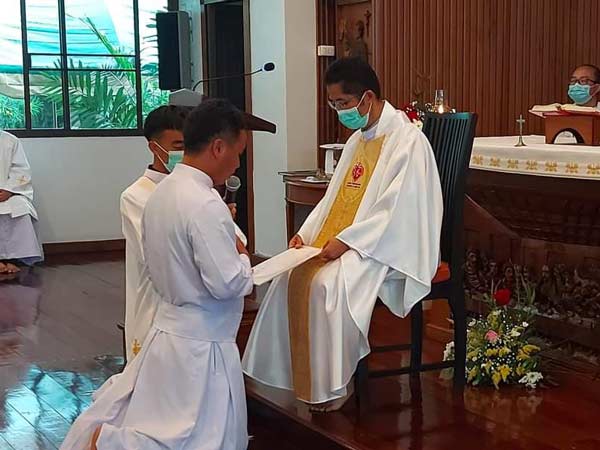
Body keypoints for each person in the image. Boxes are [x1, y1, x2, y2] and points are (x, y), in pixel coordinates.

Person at [243, 57, 443, 412]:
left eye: (343, 103)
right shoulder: (357, 140)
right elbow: (332, 199)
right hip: (351, 242)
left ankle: (334, 386)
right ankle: (295, 378)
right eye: (333, 104)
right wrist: (306, 234)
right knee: (288, 277)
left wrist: (350, 242)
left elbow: (399, 210)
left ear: (368, 97)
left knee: (326, 286)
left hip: (386, 247)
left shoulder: (407, 141)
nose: (339, 111)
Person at [60, 98, 253, 450]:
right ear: (218, 147)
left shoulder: (164, 193)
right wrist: (243, 261)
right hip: (201, 341)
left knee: (181, 427)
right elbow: (227, 284)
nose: (237, 163)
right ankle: (108, 443)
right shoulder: (205, 202)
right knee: (196, 435)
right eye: (238, 153)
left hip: (172, 330)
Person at [121, 105, 189, 362]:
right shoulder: (137, 195)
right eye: (178, 146)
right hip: (155, 304)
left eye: (190, 146)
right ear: (154, 147)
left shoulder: (198, 188)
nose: (185, 154)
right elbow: (159, 253)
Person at [0, 131, 43, 274]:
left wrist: (9, 190)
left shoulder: (10, 140)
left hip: (8, 192)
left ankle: (14, 259)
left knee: (21, 208)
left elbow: (21, 170)